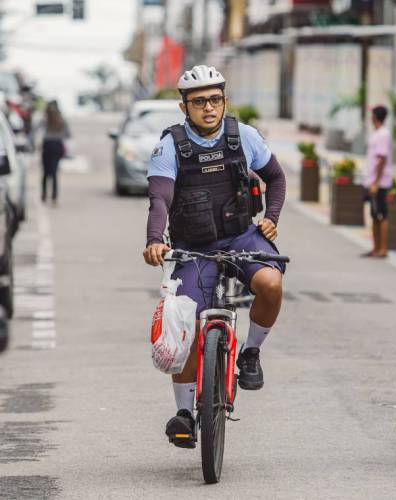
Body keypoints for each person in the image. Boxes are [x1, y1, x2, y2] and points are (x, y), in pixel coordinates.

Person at [142, 65, 287, 448]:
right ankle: (186, 413)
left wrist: (271, 218)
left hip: (241, 235)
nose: (209, 108)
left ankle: (251, 352)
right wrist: (155, 239)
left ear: (225, 100)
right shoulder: (170, 146)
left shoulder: (245, 137)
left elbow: (276, 177)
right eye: (199, 101)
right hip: (194, 246)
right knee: (184, 322)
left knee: (271, 282)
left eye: (215, 99)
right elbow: (160, 197)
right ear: (184, 106)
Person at [362, 105, 393, 258]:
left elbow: (382, 159)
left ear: (375, 116)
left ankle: (383, 249)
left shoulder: (383, 134)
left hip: (380, 183)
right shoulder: (377, 134)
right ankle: (375, 248)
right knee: (374, 215)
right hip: (372, 181)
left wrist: (376, 182)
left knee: (381, 215)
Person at [41, 100, 69, 204]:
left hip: (47, 145)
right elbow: (68, 134)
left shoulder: (46, 119)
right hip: (57, 146)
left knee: (45, 172)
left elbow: (36, 130)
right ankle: (54, 197)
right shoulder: (61, 119)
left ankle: (44, 194)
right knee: (54, 172)